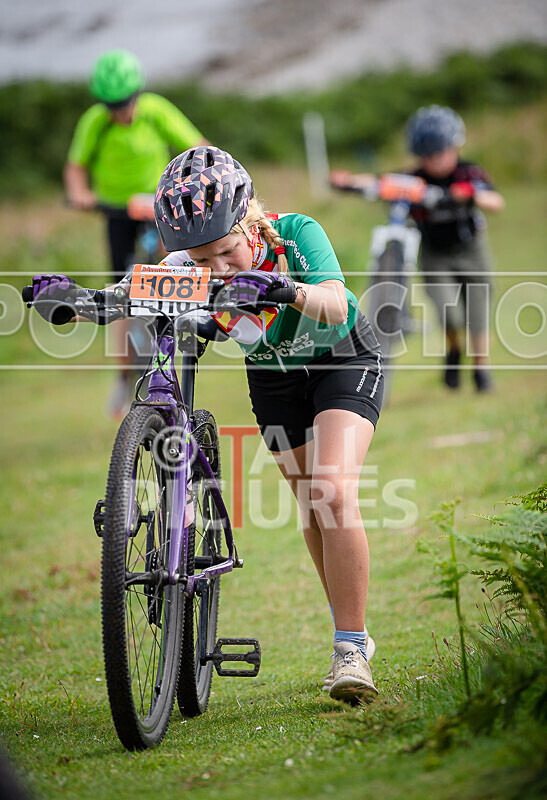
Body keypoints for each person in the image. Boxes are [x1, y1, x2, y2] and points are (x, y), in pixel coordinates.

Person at [30, 146, 384, 702]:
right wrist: (75, 301)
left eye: (225, 252)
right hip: (274, 379)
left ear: (250, 223)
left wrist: (282, 289)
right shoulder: (183, 268)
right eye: (198, 261)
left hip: (342, 358)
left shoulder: (296, 233)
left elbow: (337, 303)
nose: (215, 269)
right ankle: (349, 629)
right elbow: (125, 299)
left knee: (333, 491)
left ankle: (351, 649)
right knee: (312, 505)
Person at [64, 49, 208, 415]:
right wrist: (80, 194)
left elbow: (198, 147)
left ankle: (180, 345)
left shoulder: (156, 111)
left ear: (137, 94)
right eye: (112, 105)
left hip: (158, 208)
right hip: (116, 212)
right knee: (119, 293)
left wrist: (194, 184)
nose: (120, 111)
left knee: (173, 275)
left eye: (125, 103)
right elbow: (76, 166)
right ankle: (123, 377)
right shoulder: (95, 122)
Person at [331, 105, 504, 391]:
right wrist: (348, 182)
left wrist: (470, 195)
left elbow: (496, 202)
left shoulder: (469, 173)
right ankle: (454, 352)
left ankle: (481, 370)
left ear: (453, 146)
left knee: (478, 310)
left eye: (440, 152)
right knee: (450, 313)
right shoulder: (415, 181)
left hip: (472, 249)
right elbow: (381, 182)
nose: (435, 160)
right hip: (435, 255)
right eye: (428, 155)